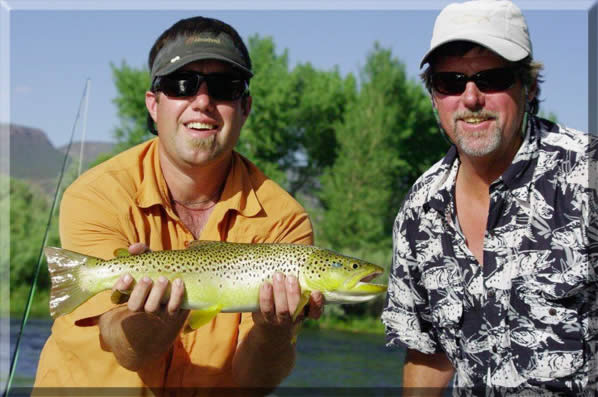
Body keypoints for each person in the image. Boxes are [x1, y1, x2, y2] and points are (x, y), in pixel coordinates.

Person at [34, 16, 324, 394]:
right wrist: (157, 317)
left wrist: (273, 328)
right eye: (180, 85)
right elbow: (129, 352)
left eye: (224, 87)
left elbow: (257, 382)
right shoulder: (96, 194)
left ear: (246, 107)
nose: (202, 102)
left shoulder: (284, 222)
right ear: (154, 105)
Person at [382, 0, 597, 395]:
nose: (470, 98)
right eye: (450, 82)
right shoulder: (418, 212)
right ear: (434, 95)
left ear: (529, 86)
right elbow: (428, 354)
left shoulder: (587, 174)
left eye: (491, 78)